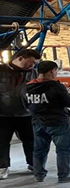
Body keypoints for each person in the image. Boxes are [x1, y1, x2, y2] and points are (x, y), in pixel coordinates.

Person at [23, 60, 70, 183]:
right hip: (58, 123)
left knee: (39, 150)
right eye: (56, 71)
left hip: (38, 123)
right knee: (63, 150)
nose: (56, 73)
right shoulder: (56, 87)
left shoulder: (27, 87)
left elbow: (25, 105)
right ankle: (64, 176)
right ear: (51, 71)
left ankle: (39, 175)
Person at [0, 48, 41, 179]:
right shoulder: (1, 70)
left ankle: (33, 164)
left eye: (35, 63)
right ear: (20, 58)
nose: (32, 65)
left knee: (31, 140)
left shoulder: (33, 73)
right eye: (31, 62)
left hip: (26, 114)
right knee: (2, 141)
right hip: (3, 115)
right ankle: (2, 167)